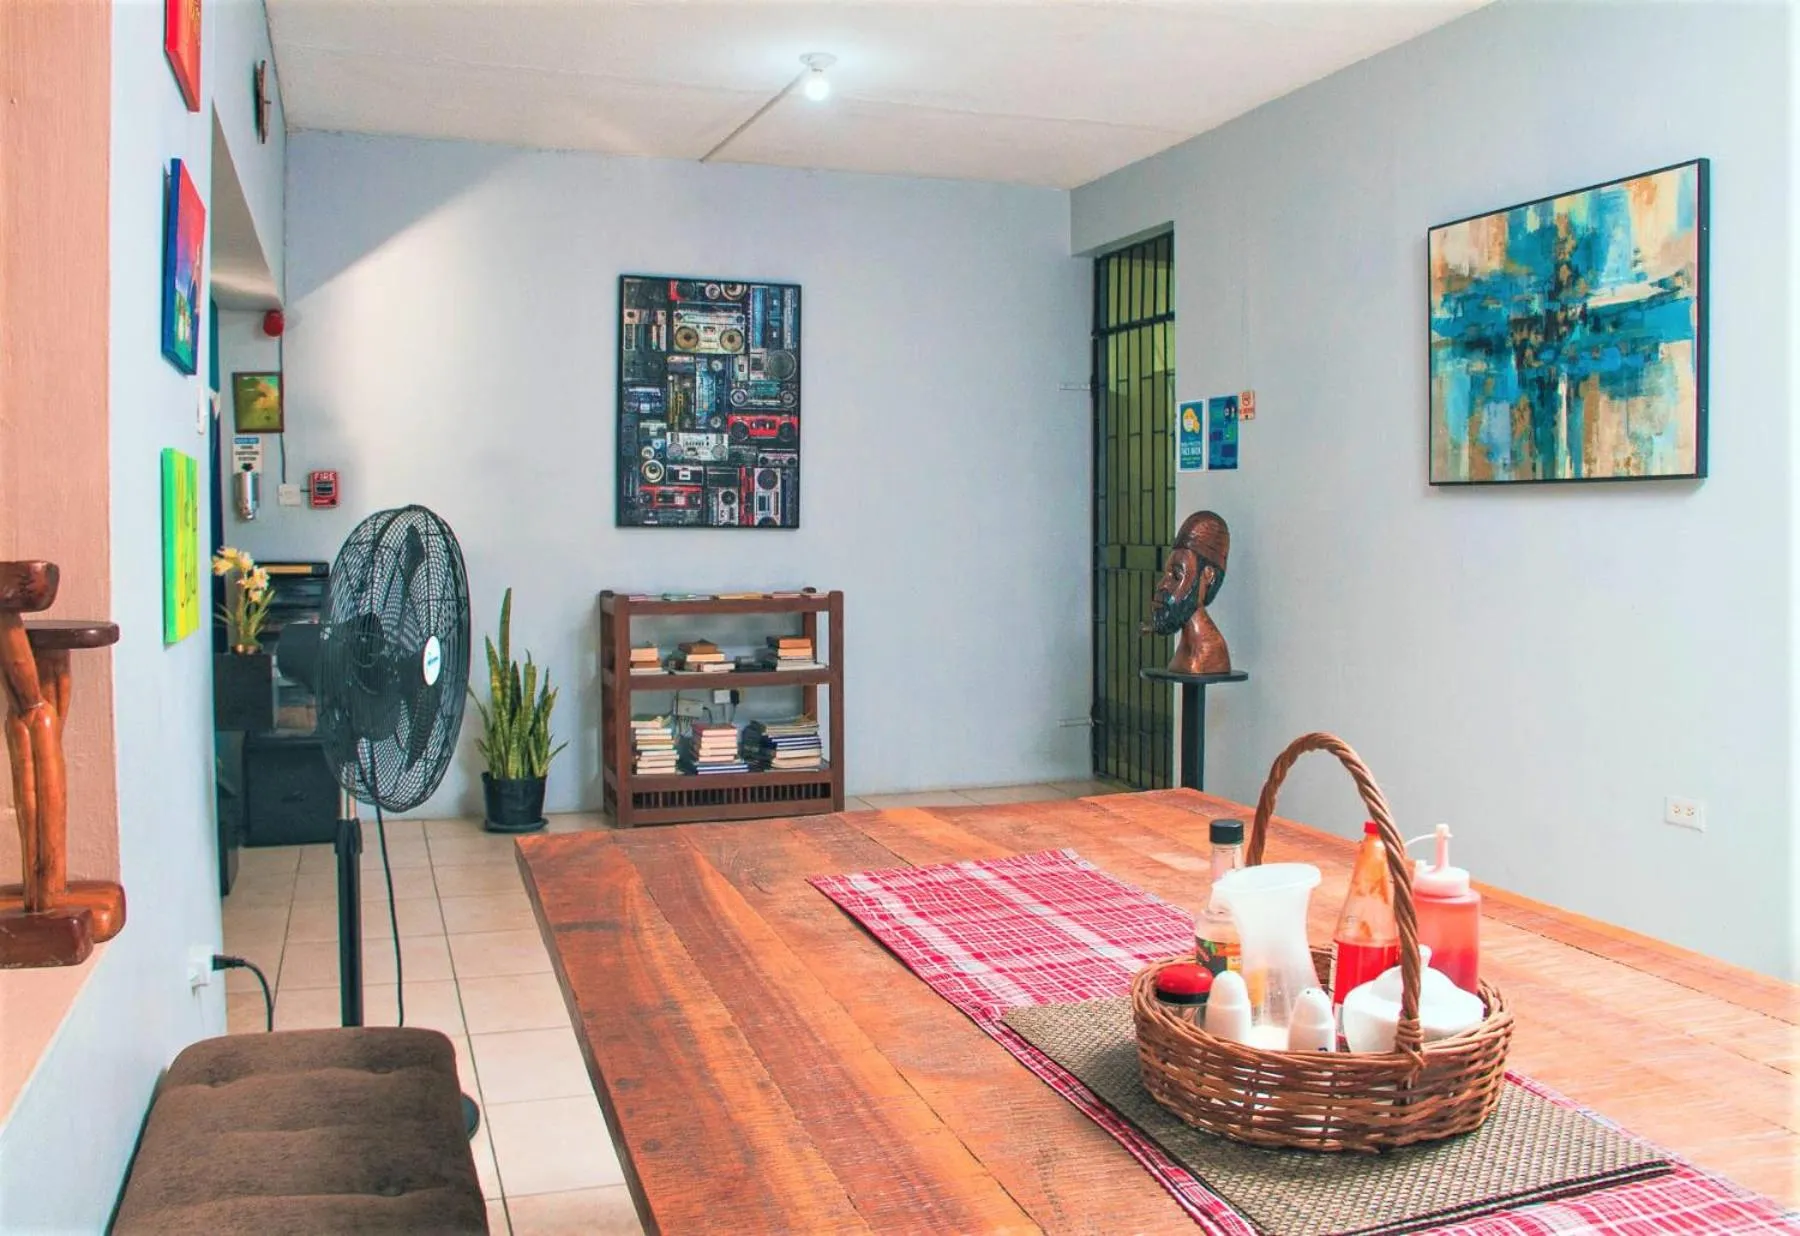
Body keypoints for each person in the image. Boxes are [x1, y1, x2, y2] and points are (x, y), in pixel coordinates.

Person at [1144, 511, 1232, 675]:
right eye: (1166, 575)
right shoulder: (1186, 651)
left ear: (1208, 576)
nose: (1161, 585)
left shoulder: (1207, 654)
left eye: (1177, 575)